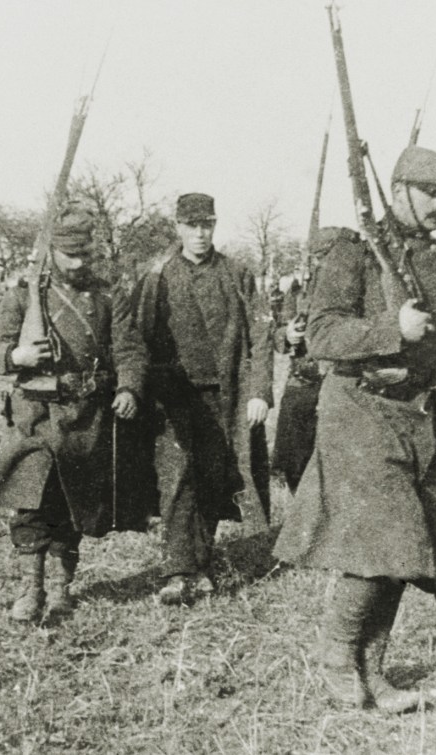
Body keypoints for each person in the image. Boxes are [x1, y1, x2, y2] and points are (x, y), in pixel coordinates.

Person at [274, 146, 436, 713]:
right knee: (387, 539)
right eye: (432, 193)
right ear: (399, 191)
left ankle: (374, 671)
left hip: (421, 421)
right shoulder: (355, 253)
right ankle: (335, 657)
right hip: (361, 414)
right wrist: (391, 328)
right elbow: (321, 334)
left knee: (409, 550)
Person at [0, 199, 149, 623]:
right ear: (51, 251)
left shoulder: (109, 295)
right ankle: (29, 590)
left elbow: (129, 349)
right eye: (69, 254)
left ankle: (60, 590)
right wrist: (16, 355)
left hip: (86, 416)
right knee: (32, 503)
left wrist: (129, 386)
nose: (77, 263)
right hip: (35, 416)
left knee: (75, 504)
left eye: (84, 254)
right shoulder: (23, 295)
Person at [133, 192, 274, 605]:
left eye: (207, 224)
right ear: (177, 227)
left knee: (215, 478)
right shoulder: (156, 276)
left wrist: (259, 392)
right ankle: (179, 571)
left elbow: (261, 337)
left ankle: (203, 563)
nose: (199, 233)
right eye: (191, 225)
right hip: (173, 400)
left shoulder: (236, 274)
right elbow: (136, 337)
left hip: (225, 398)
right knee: (177, 479)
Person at [271, 226, 338, 494]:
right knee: (293, 459)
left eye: (327, 257)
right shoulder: (298, 293)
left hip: (337, 383)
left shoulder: (353, 289)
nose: (321, 264)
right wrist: (287, 334)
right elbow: (277, 330)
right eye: (318, 257)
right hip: (302, 380)